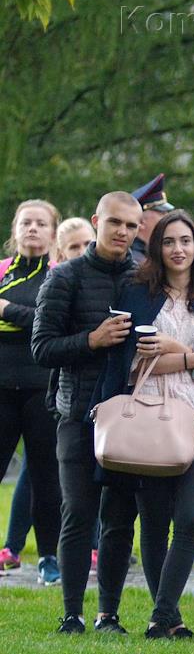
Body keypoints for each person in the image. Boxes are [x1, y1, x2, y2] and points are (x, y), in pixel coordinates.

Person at [95, 210, 194, 639]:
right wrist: (193, 357)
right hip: (150, 418)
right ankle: (169, 618)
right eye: (168, 242)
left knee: (192, 518)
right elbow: (131, 365)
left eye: (185, 241)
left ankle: (162, 615)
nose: (178, 249)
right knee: (154, 521)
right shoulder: (136, 294)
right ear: (156, 249)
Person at [32, 191, 142, 633]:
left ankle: (108, 614)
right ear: (97, 221)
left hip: (130, 416)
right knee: (78, 513)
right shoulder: (65, 277)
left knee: (119, 518)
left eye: (132, 226)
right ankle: (71, 613)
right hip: (77, 413)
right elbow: (42, 348)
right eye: (115, 222)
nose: (123, 232)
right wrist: (91, 340)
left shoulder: (145, 278)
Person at [0, 200, 63, 585]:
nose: (33, 229)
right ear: (15, 229)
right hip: (2, 388)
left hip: (43, 388)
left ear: (53, 232)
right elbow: (37, 320)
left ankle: (48, 557)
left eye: (41, 223)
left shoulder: (59, 276)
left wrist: (6, 310)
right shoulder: (2, 272)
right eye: (26, 223)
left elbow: (50, 322)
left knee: (46, 477)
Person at [129, 174, 175, 264]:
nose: (167, 218)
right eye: (161, 213)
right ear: (141, 222)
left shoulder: (145, 257)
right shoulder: (136, 262)